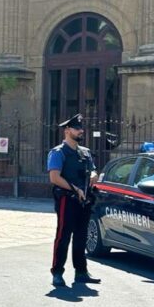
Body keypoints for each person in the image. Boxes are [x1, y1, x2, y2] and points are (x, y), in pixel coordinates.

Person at [47, 114, 102, 286]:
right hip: (67, 200)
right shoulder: (58, 152)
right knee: (63, 236)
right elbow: (54, 178)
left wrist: (94, 175)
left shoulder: (85, 152)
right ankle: (57, 273)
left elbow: (93, 170)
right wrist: (74, 188)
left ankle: (81, 272)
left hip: (84, 200)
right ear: (67, 131)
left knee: (81, 237)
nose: (81, 131)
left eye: (81, 128)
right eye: (77, 128)